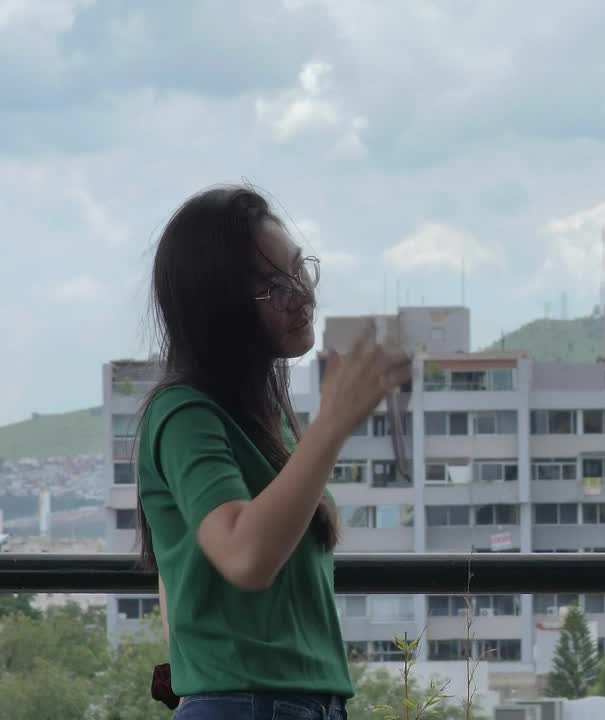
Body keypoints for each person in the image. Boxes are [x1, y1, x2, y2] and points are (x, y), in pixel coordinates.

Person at [134, 185, 411, 719]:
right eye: (273, 286)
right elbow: (245, 555)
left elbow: (180, 569)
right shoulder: (187, 414)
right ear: (220, 305)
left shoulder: (255, 417)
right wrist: (334, 423)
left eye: (299, 271)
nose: (301, 295)